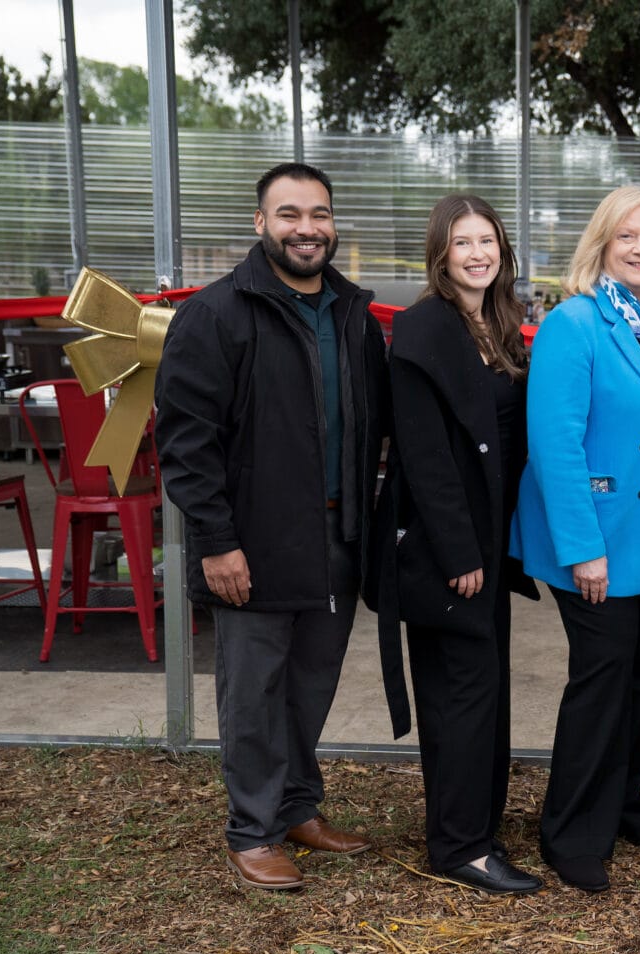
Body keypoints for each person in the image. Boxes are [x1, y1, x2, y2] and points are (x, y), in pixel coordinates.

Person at [155, 162, 387, 890]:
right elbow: (187, 442)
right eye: (289, 215)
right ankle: (251, 831)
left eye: (318, 214)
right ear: (261, 225)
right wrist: (217, 541)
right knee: (253, 691)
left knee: (310, 682)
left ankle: (295, 807)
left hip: (337, 533)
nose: (306, 229)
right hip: (252, 541)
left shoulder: (352, 314)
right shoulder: (217, 314)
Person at [511, 185, 640, 893]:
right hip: (597, 538)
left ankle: (623, 802)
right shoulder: (574, 323)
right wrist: (582, 547)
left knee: (638, 673)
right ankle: (571, 832)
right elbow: (554, 443)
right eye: (628, 236)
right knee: (600, 680)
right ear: (602, 244)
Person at [369, 194, 542, 895]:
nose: (477, 253)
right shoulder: (421, 329)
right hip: (448, 549)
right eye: (462, 243)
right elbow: (424, 456)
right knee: (460, 694)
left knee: (480, 688)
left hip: (489, 543)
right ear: (440, 253)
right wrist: (460, 552)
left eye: (488, 241)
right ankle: (461, 846)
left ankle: (472, 824)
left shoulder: (497, 323)